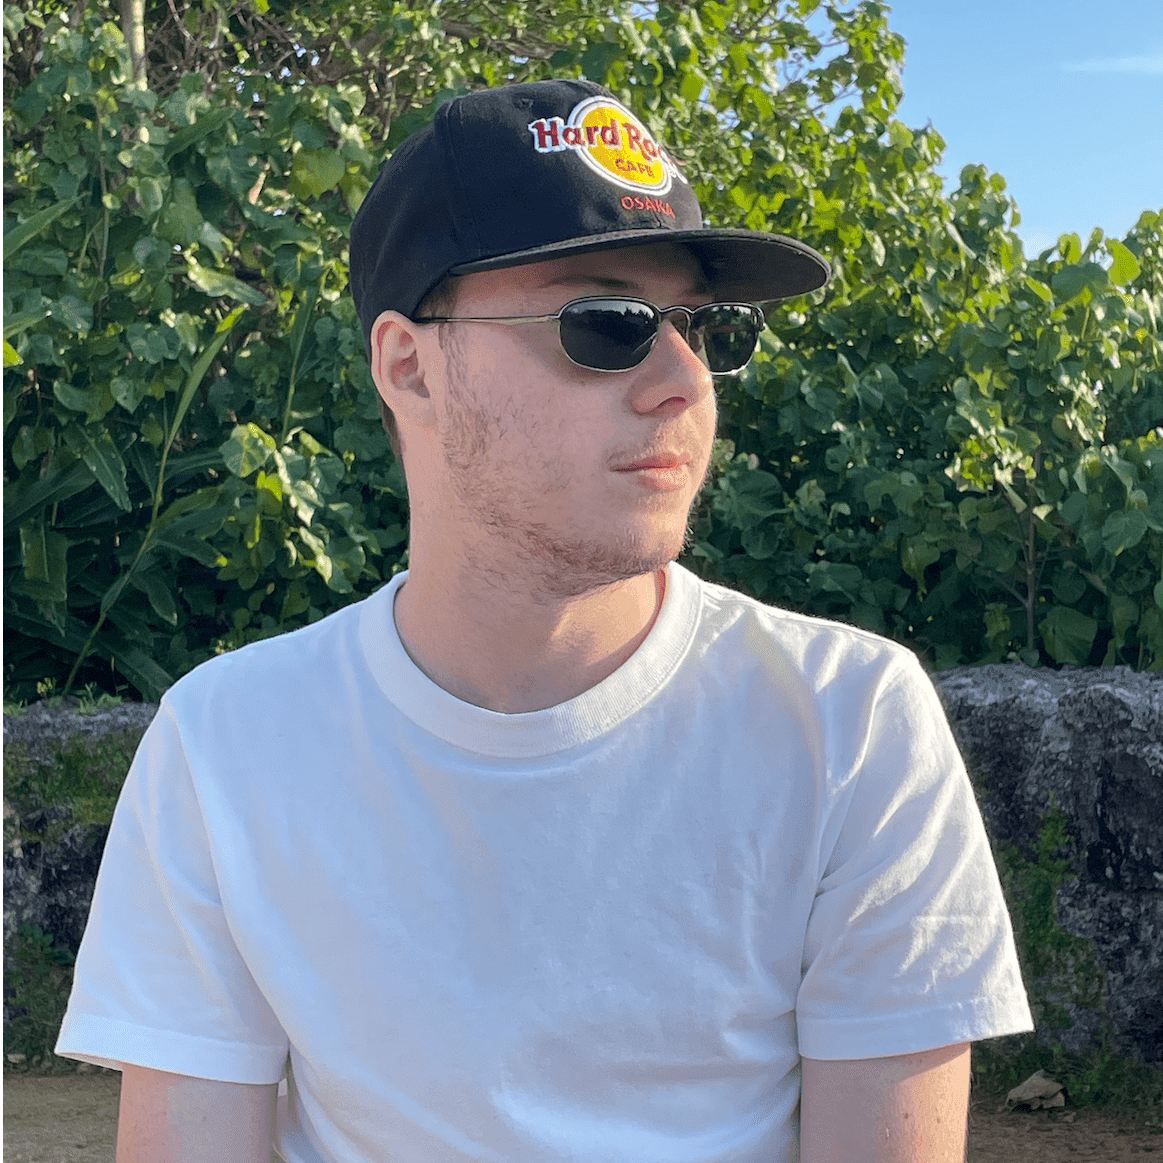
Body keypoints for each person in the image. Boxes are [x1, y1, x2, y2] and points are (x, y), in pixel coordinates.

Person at [55, 79, 1033, 1163]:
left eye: (706, 328)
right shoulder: (228, 745)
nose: (682, 379)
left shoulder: (847, 721)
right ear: (408, 365)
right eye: (606, 325)